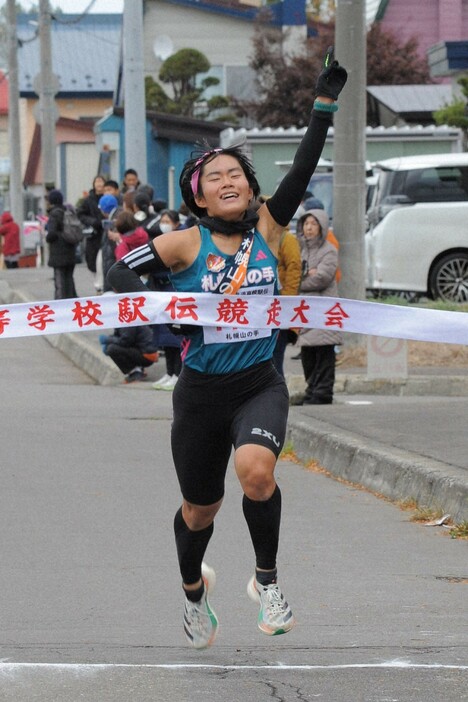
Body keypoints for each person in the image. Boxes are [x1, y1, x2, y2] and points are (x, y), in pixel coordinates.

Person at [107, 51, 347, 649]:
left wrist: (323, 105)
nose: (228, 180)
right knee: (199, 509)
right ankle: (194, 591)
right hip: (201, 393)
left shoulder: (269, 228)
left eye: (235, 172)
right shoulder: (181, 244)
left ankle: (266, 583)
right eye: (215, 177)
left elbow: (301, 169)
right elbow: (118, 276)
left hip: (259, 382)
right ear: (201, 198)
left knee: (256, 474)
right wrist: (171, 316)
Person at [295, 209, 342, 405]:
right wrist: (307, 275)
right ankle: (312, 389)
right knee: (308, 354)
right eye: (306, 224)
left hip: (323, 312)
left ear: (321, 227)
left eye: (314, 224)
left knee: (323, 353)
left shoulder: (329, 250)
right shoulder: (302, 250)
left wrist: (298, 283)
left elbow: (321, 278)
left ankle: (322, 393)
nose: (309, 228)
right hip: (306, 312)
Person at [45, 189, 78, 299]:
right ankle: (72, 302)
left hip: (58, 253)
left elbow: (52, 234)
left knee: (59, 281)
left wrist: (48, 237)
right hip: (70, 249)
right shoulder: (68, 211)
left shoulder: (54, 214)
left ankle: (60, 305)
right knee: (69, 278)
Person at [76, 175, 106, 273]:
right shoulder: (88, 200)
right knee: (92, 260)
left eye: (101, 181)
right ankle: (98, 285)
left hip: (107, 233)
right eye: (97, 181)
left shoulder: (108, 197)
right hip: (94, 235)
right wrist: (92, 221)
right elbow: (80, 214)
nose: (99, 183)